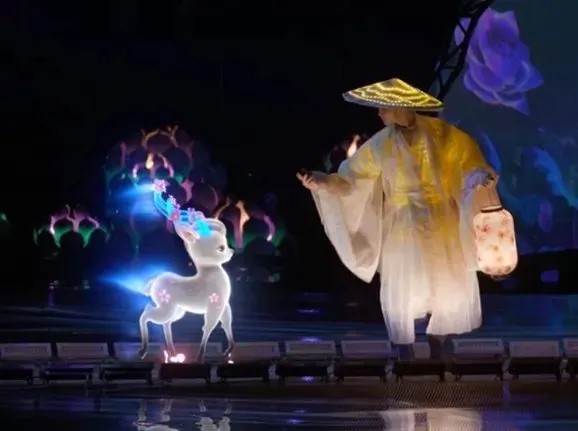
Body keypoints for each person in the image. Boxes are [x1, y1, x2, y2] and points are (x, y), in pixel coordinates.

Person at [297, 78, 501, 354]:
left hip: (441, 221)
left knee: (445, 285)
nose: (379, 114)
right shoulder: (381, 144)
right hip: (404, 225)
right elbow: (351, 180)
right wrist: (323, 181)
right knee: (404, 290)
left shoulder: (443, 135)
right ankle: (404, 354)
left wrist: (479, 177)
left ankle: (440, 350)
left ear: (399, 107)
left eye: (383, 107)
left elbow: (468, 164)